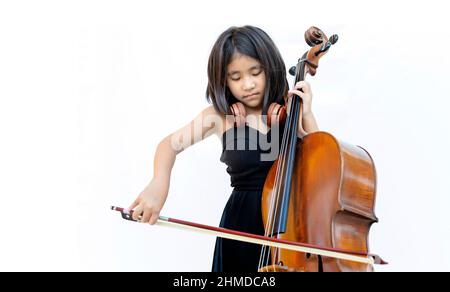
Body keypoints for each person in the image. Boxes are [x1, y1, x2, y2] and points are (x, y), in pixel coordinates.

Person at [128, 25, 319, 272]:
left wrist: (308, 114)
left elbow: (322, 164)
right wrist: (158, 183)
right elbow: (168, 145)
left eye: (255, 72)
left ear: (269, 68)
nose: (248, 84)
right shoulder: (219, 118)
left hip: (291, 225)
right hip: (240, 228)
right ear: (223, 80)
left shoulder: (290, 111)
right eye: (236, 77)